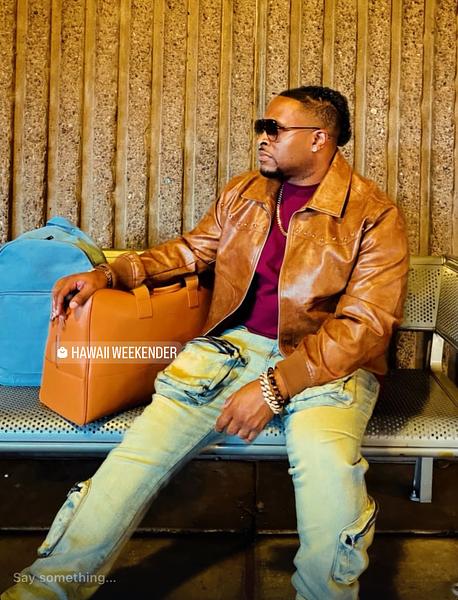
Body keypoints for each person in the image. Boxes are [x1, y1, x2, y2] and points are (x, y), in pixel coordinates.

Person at [2, 85, 409, 600]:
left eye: (274, 129)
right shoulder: (245, 194)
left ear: (318, 139)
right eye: (261, 127)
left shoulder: (374, 214)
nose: (261, 138)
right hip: (230, 356)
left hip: (326, 366)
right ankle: (42, 593)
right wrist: (111, 273)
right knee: (132, 464)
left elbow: (365, 325)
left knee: (328, 474)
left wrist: (274, 387)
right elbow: (191, 252)